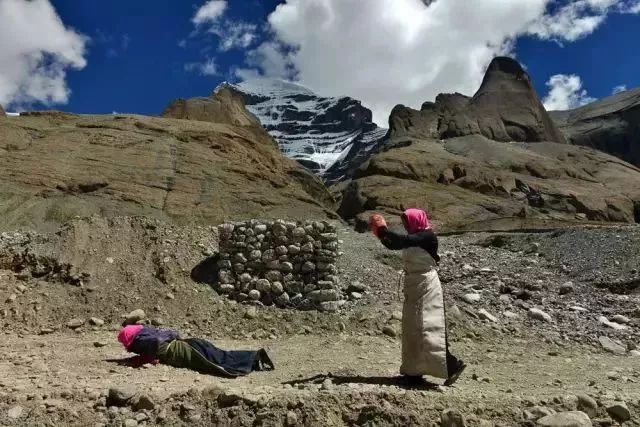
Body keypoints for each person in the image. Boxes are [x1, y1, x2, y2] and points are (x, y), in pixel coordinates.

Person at [369, 209, 465, 386]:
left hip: (427, 286)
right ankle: (413, 372)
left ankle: (452, 365)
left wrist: (382, 230)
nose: (405, 226)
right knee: (413, 328)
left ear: (416, 221)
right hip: (414, 285)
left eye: (407, 222)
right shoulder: (415, 237)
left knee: (429, 326)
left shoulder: (427, 237)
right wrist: (382, 236)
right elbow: (394, 245)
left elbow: (403, 241)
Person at [117, 325, 274, 377]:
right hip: (190, 344)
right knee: (222, 355)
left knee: (219, 364)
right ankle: (254, 357)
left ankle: (254, 357)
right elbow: (174, 334)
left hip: (187, 352)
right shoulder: (153, 333)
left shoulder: (144, 341)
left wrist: (146, 359)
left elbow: (153, 347)